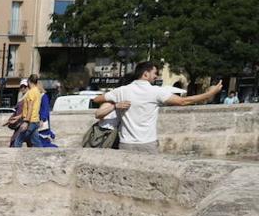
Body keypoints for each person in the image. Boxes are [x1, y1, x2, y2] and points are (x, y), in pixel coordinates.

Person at [93, 62, 222, 153]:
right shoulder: (155, 91)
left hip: (126, 143)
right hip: (147, 143)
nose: (157, 76)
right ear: (145, 74)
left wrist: (115, 104)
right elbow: (183, 101)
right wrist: (209, 94)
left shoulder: (121, 91)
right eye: (155, 73)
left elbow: (96, 99)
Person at [10, 75, 43, 148]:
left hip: (30, 121)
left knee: (18, 140)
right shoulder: (37, 91)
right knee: (36, 141)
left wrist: (26, 121)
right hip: (36, 120)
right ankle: (42, 155)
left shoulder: (31, 93)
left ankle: (14, 157)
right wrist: (18, 117)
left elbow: (30, 107)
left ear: (29, 81)